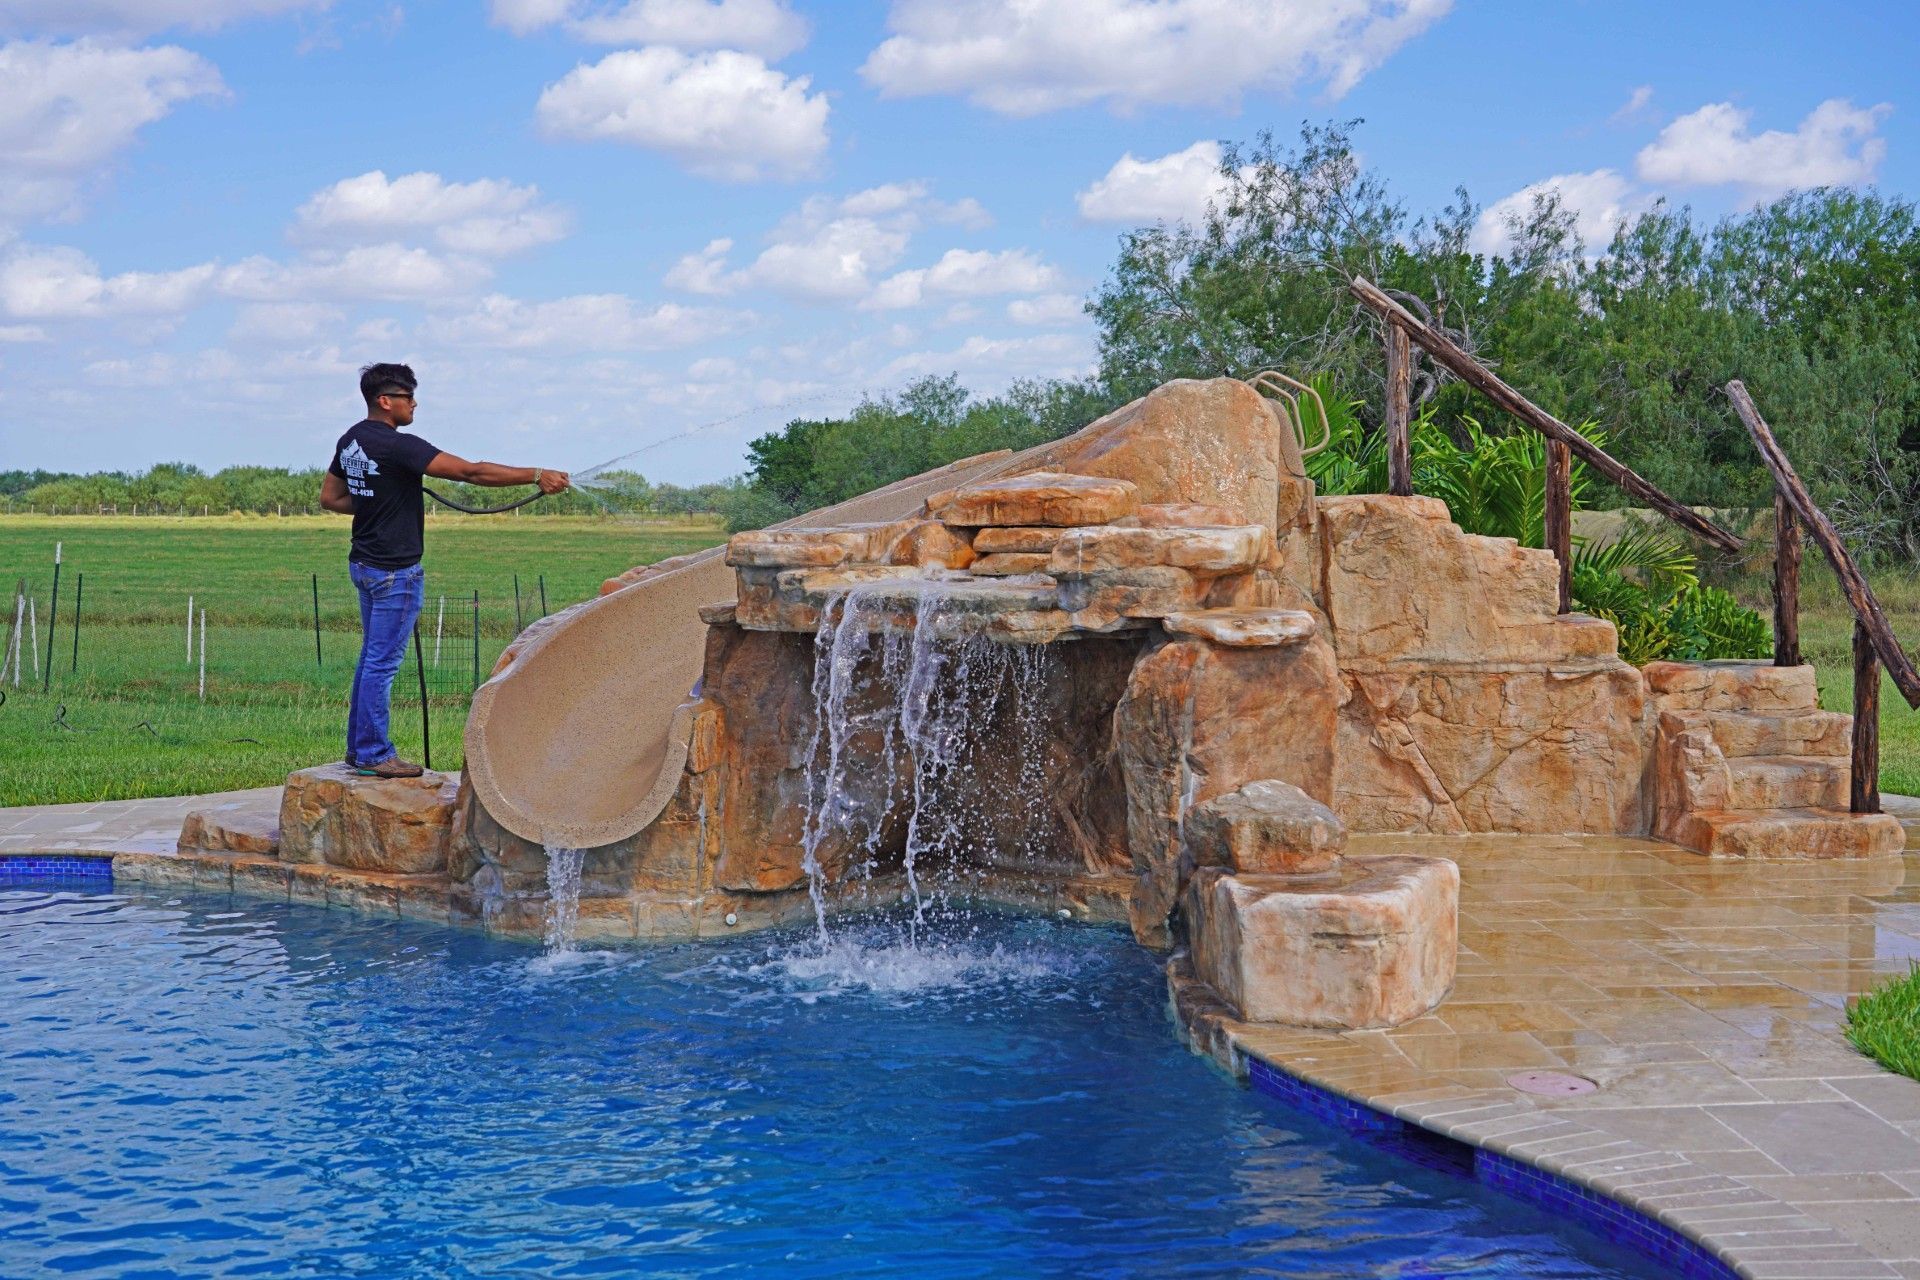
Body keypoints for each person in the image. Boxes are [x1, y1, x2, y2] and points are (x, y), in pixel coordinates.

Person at [320, 362, 570, 778]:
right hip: (394, 573)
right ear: (386, 401)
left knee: (371, 660)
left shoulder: (353, 440)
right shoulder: (399, 446)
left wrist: (376, 503)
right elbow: (470, 472)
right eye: (407, 397)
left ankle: (360, 749)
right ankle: (373, 754)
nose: (414, 403)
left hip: (363, 565)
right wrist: (537, 475)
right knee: (381, 665)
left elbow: (332, 497)